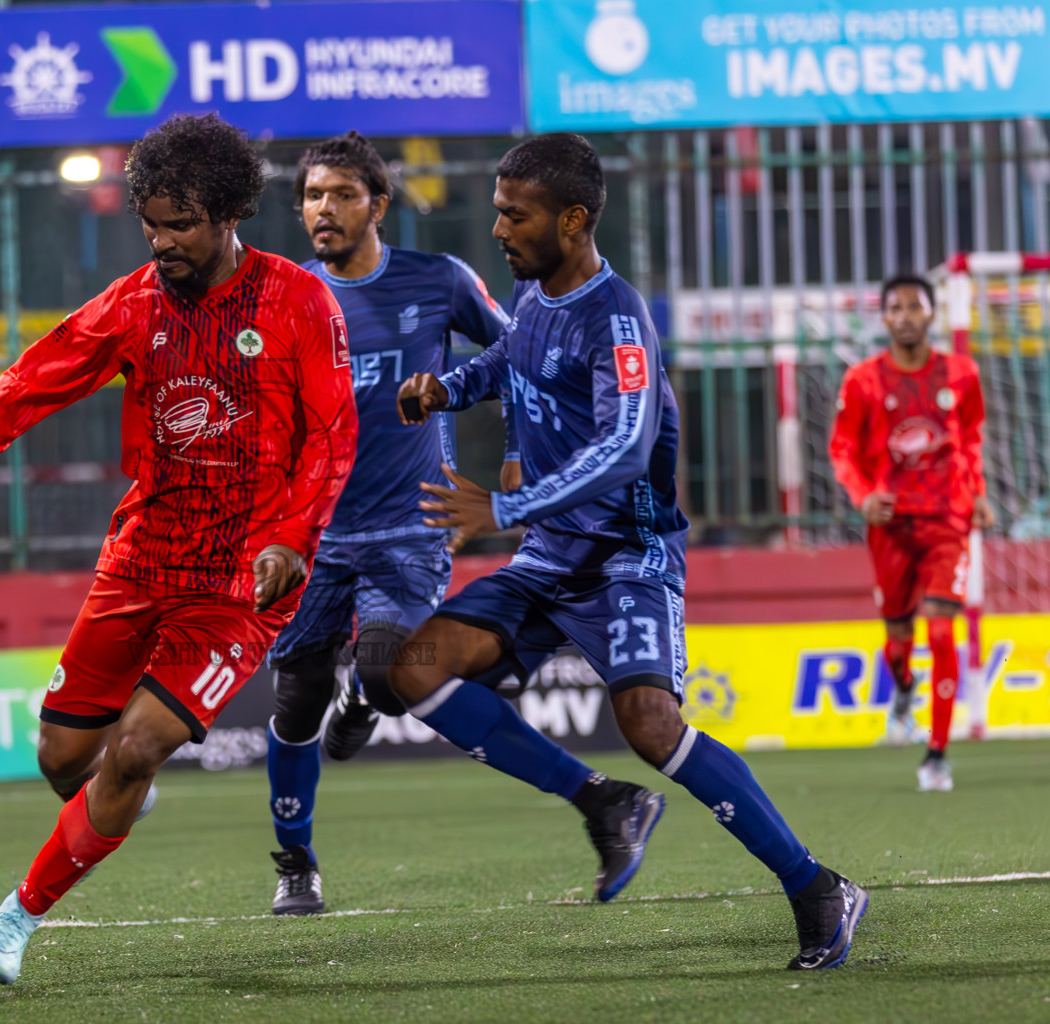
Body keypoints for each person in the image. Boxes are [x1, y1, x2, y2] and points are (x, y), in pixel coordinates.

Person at [0, 113, 357, 985]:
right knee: (62, 759)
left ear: (230, 213)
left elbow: (332, 438)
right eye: (149, 222)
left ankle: (12, 922)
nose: (161, 240)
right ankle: (117, 798)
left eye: (180, 224)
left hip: (241, 582)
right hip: (141, 561)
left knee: (136, 746)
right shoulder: (132, 306)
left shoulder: (298, 301)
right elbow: (22, 392)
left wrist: (290, 538)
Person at [390, 133, 868, 970]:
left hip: (625, 555)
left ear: (573, 220)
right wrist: (449, 386)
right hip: (551, 556)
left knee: (650, 724)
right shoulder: (536, 292)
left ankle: (815, 887)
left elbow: (622, 445)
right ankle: (603, 802)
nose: (498, 229)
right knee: (414, 666)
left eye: (515, 214)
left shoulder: (618, 320)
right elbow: (513, 360)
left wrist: (503, 505)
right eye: (498, 210)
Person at [265, 131, 522, 915]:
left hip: (410, 529)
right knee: (296, 699)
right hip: (314, 538)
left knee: (385, 670)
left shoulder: (437, 280)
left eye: (341, 194)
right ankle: (296, 861)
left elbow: (520, 353)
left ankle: (366, 701)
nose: (323, 209)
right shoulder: (287, 299)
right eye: (312, 195)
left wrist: (515, 453)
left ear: (378, 205)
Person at [829, 274, 991, 791]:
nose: (905, 315)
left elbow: (970, 441)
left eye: (914, 306)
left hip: (948, 517)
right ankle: (903, 686)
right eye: (895, 307)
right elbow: (842, 450)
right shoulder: (862, 380)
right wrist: (862, 497)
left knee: (942, 629)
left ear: (931, 313)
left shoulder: (962, 374)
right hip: (891, 524)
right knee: (899, 638)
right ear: (884, 317)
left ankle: (937, 754)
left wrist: (979, 491)